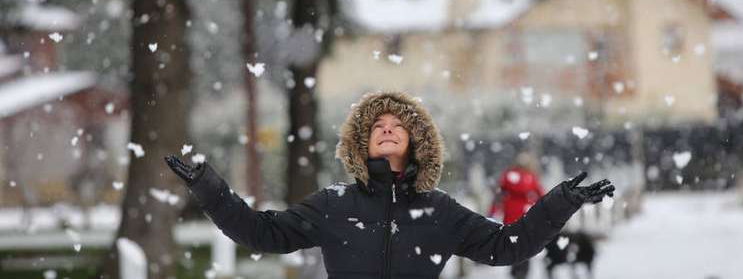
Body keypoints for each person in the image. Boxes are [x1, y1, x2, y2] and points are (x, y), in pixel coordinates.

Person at [166, 91, 614, 278]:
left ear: (415, 141)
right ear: (362, 141)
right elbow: (259, 232)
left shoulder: (438, 210)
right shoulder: (332, 205)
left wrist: (562, 202)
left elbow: (507, 247)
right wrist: (209, 188)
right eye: (376, 124)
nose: (386, 128)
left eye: (397, 124)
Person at [488, 153, 545, 279]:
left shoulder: (508, 176)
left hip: (510, 216)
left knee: (513, 244)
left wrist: (491, 212)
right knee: (525, 245)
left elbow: (498, 196)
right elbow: (541, 196)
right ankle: (522, 270)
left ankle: (515, 268)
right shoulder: (530, 177)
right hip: (526, 216)